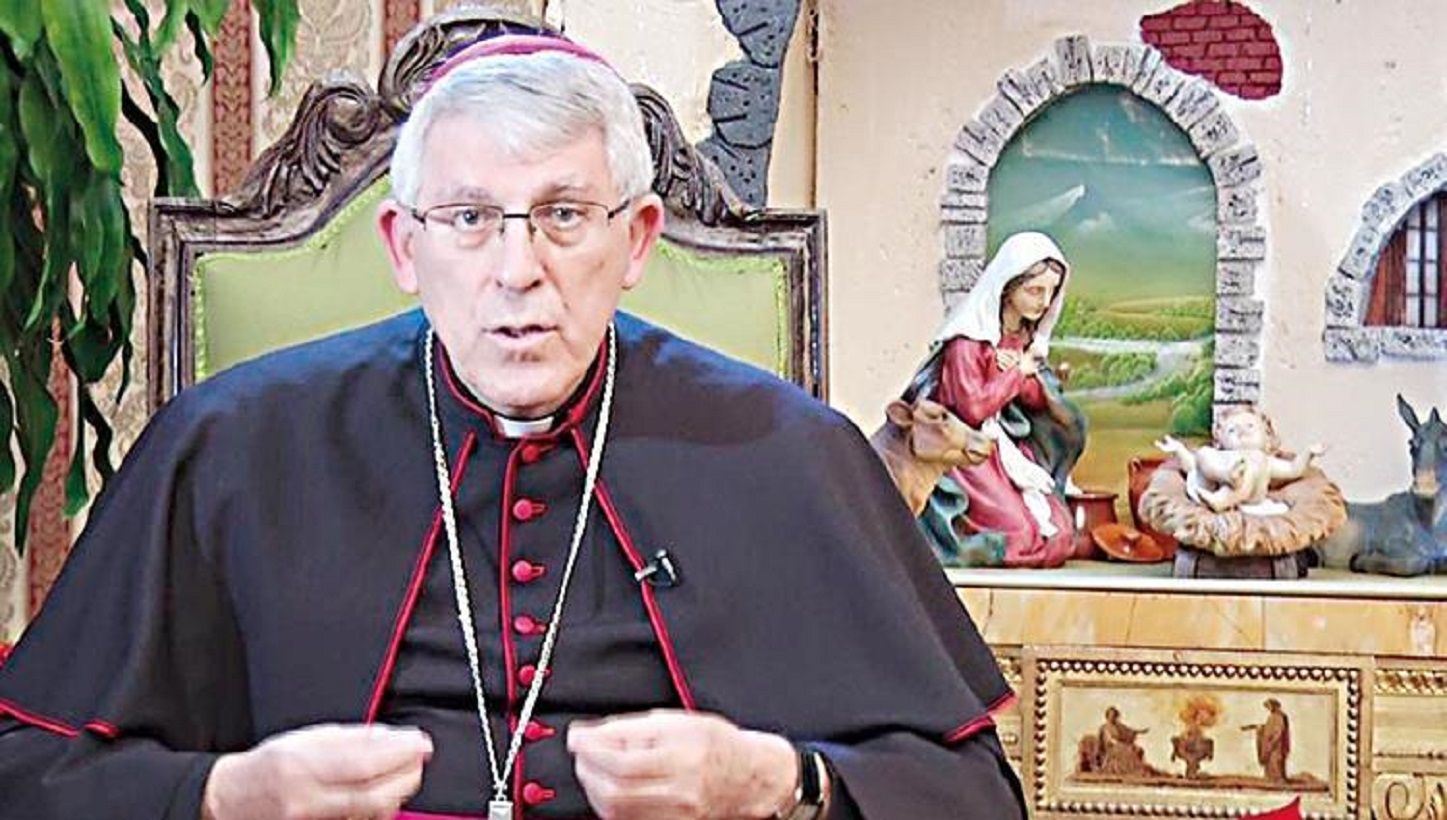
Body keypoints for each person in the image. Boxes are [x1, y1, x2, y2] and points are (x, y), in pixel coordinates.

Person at [0, 30, 1024, 820]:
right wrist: (224, 796)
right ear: (404, 246)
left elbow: (975, 794)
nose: (516, 270)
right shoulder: (232, 444)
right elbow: (28, 771)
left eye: (563, 215)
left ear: (636, 241)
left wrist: (783, 782)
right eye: (470, 218)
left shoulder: (785, 452)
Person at [917, 231, 1082, 569]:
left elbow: (1034, 401)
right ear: (1007, 287)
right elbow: (972, 409)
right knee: (1019, 536)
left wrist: (1025, 373)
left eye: (1051, 292)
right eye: (1034, 290)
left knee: (1061, 532)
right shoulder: (967, 342)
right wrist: (1016, 372)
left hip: (1004, 448)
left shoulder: (1021, 338)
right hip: (966, 452)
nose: (1044, 302)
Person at [1157, 406, 1324, 516]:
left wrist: (1309, 453)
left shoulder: (1265, 460)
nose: (1241, 431)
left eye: (1250, 426)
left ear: (1268, 437)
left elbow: (1293, 469)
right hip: (1216, 482)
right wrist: (1179, 449)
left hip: (1249, 497)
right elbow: (1193, 467)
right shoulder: (1222, 455)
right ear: (1221, 442)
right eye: (1231, 430)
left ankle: (1223, 497)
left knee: (1251, 464)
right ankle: (1227, 476)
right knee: (1203, 453)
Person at [1243, 698, 1291, 782]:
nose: (1268, 708)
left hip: (1277, 745)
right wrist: (1258, 727)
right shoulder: (1272, 716)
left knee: (1275, 761)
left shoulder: (1280, 716)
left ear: (1274, 706)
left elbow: (1279, 731)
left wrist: (1272, 742)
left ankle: (1278, 779)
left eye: (1269, 706)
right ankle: (1271, 778)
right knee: (1270, 762)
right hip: (1270, 744)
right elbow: (1268, 728)